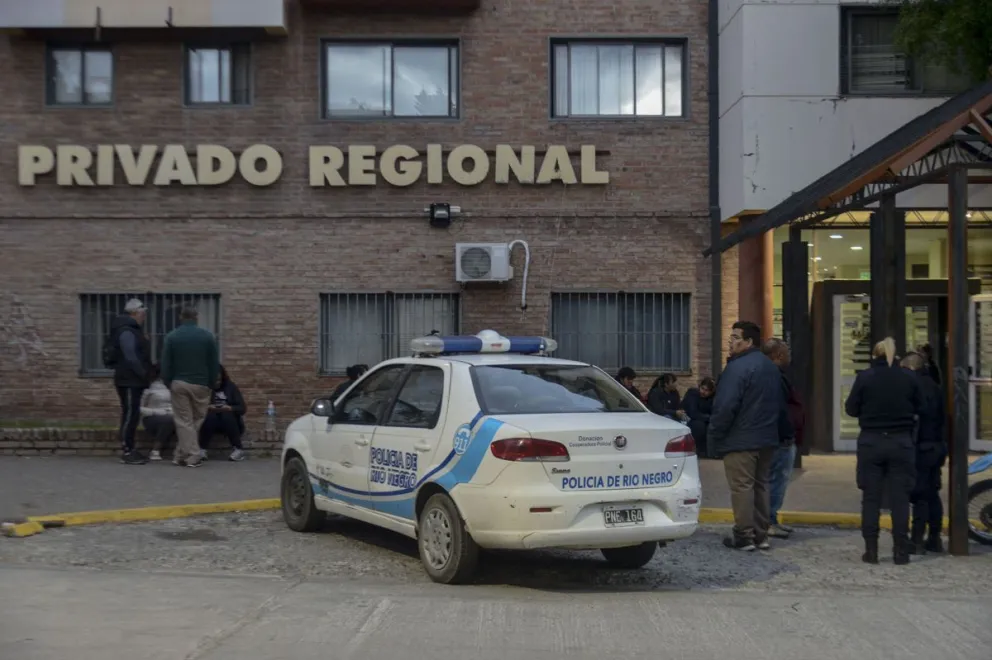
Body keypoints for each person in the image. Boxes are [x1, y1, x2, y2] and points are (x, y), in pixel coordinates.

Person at [708, 321, 790, 551]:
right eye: (730, 338)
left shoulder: (736, 368)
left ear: (749, 342)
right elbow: (781, 404)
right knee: (761, 485)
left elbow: (725, 407)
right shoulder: (771, 368)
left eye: (735, 338)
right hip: (766, 438)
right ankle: (761, 535)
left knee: (742, 487)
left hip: (741, 439)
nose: (730, 343)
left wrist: (714, 436)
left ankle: (744, 535)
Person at [844, 337, 924, 565]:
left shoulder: (865, 377)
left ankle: (871, 550)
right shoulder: (909, 377)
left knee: (870, 498)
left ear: (874, 354)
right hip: (901, 441)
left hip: (871, 441)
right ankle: (901, 550)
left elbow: (851, 408)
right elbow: (922, 406)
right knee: (900, 498)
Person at [161, 306, 219, 468]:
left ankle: (183, 454)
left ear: (181, 317)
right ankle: (192, 454)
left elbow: (166, 364)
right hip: (201, 384)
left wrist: (168, 382)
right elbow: (213, 363)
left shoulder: (172, 337)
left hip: (179, 383)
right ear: (196, 317)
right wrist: (212, 382)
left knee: (183, 421)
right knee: (196, 420)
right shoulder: (207, 337)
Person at [900, 352, 946, 554]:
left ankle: (916, 539)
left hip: (922, 447)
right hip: (936, 446)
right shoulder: (934, 386)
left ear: (910, 368)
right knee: (932, 493)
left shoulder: (915, 387)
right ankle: (934, 538)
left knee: (919, 495)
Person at [762, 338, 805, 539]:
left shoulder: (774, 376)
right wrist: (787, 434)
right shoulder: (775, 378)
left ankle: (771, 519)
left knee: (775, 480)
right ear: (778, 356)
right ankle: (768, 520)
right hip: (779, 439)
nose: (789, 356)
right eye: (787, 352)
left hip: (778, 437)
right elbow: (778, 410)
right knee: (776, 481)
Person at [107, 298, 152, 465]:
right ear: (134, 313)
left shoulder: (133, 330)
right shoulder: (126, 331)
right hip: (129, 380)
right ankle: (127, 450)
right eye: (142, 313)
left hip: (132, 379)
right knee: (129, 414)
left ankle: (131, 448)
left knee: (132, 414)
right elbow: (131, 357)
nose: (144, 316)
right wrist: (143, 374)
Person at [199, 364, 247, 462]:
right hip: (211, 420)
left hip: (229, 420)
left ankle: (238, 449)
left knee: (226, 415)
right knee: (211, 417)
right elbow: (197, 406)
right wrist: (209, 407)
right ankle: (202, 449)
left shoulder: (230, 387)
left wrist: (229, 408)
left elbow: (242, 408)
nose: (217, 383)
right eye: (215, 380)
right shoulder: (204, 388)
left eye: (219, 380)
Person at [140, 363, 175, 461]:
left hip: (173, 415)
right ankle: (156, 449)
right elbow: (139, 408)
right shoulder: (149, 387)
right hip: (152, 417)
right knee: (168, 420)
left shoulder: (174, 386)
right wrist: (161, 412)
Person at [682, 378, 715, 458]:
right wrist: (709, 418)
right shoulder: (693, 394)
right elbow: (693, 413)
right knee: (699, 426)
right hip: (688, 419)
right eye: (702, 388)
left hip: (703, 420)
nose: (703, 392)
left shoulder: (712, 398)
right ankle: (700, 451)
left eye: (706, 390)